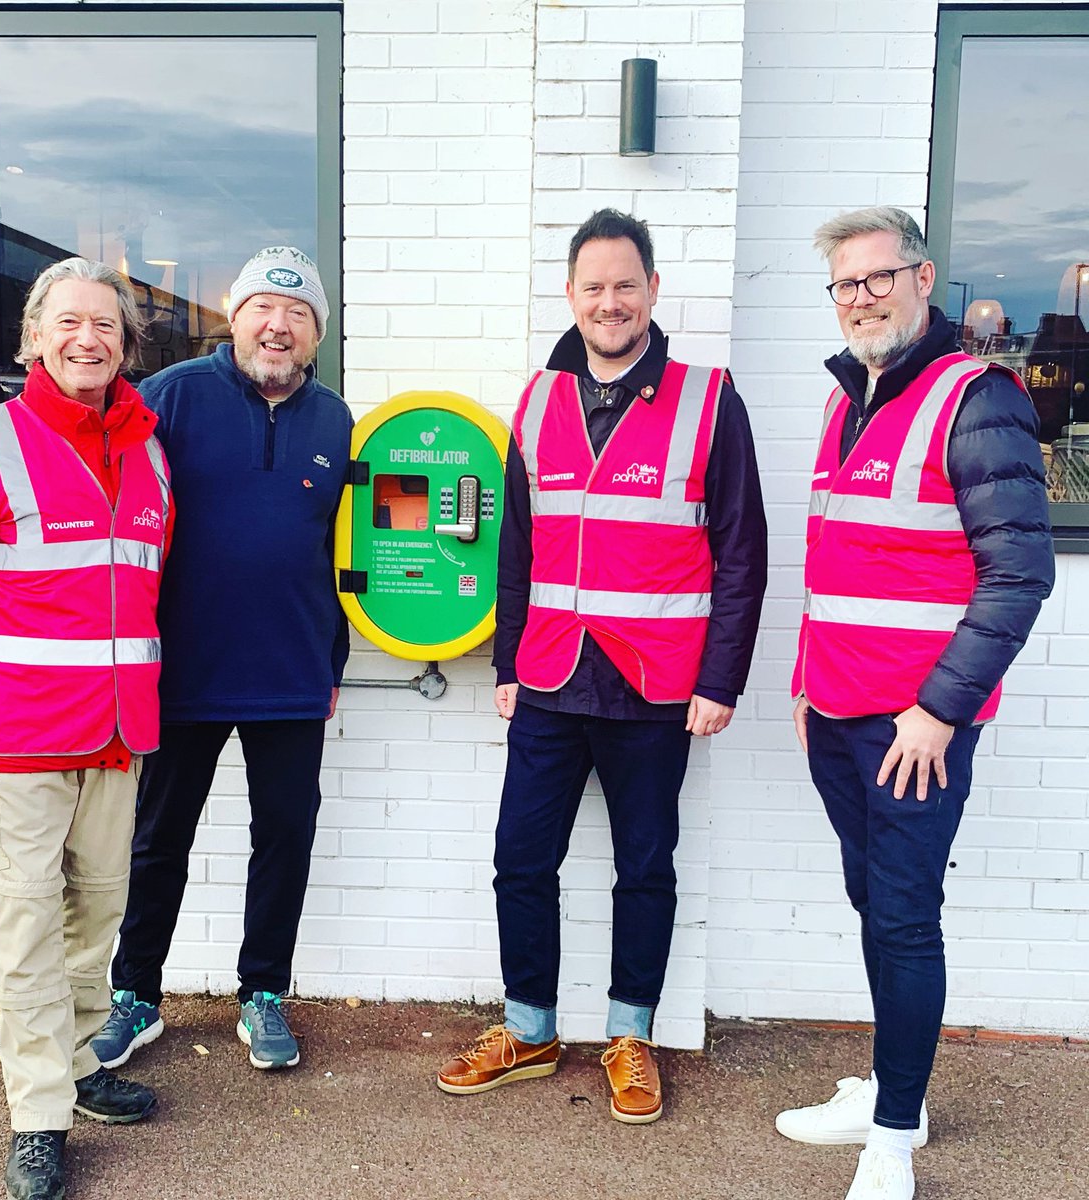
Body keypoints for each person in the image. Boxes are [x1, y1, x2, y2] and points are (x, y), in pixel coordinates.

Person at [437, 209, 767, 1123]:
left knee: (645, 867)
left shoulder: (709, 399)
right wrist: (507, 660)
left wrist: (721, 680)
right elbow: (517, 545)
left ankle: (631, 1035)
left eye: (626, 284)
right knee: (519, 859)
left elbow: (743, 551)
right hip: (549, 674)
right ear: (572, 297)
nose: (610, 302)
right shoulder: (539, 399)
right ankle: (530, 1028)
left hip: (659, 683)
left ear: (653, 292)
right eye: (594, 287)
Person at [778, 207, 1055, 1200]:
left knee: (902, 919)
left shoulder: (975, 399)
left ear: (922, 277)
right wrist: (808, 683)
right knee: (873, 903)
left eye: (877, 278)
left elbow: (1017, 573)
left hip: (915, 733)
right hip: (839, 714)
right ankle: (899, 1089)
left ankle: (893, 1137)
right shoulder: (846, 396)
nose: (861, 299)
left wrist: (940, 710)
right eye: (845, 286)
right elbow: (840, 563)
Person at [0, 257, 171, 1200]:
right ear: (35, 337)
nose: (87, 337)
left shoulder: (151, 450)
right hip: (16, 740)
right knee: (28, 931)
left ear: (127, 345)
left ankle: (85, 1068)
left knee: (96, 913)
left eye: (107, 324)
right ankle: (38, 1116)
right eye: (69, 322)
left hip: (117, 734)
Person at [92, 247, 352, 1074]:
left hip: (292, 670)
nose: (278, 327)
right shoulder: (169, 399)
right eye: (263, 311)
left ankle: (263, 993)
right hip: (182, 671)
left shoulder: (338, 423)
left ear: (315, 334)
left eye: (298, 315)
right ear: (233, 316)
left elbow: (345, 553)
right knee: (159, 836)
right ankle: (135, 993)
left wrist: (333, 664)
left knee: (285, 834)